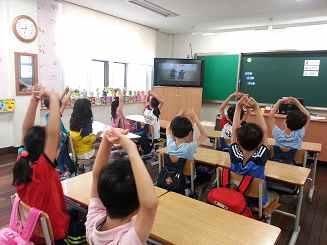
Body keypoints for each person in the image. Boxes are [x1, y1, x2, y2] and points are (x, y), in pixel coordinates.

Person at [13, 86, 70, 243]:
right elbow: (52, 133)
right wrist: (51, 95)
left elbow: (26, 129)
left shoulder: (22, 160)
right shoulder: (43, 168)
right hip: (52, 234)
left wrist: (35, 99)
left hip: (30, 230)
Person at [85, 128, 158, 244]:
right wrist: (131, 148)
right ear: (138, 207)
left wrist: (107, 140)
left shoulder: (93, 223)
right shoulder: (125, 241)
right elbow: (150, 205)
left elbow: (96, 176)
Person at [230, 95, 270, 205]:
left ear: (238, 140)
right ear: (259, 143)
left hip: (236, 196)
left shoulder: (234, 154)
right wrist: (256, 108)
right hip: (256, 202)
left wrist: (238, 107)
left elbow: (234, 131)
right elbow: (265, 132)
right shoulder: (260, 156)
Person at [268, 97, 310, 163]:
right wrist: (297, 103)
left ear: (285, 122)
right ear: (300, 126)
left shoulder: (277, 134)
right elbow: (308, 116)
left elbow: (270, 116)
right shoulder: (299, 134)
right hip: (291, 165)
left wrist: (279, 101)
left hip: (275, 165)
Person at [43, 87, 72, 175]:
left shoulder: (48, 114)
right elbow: (63, 102)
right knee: (62, 156)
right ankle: (63, 171)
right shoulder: (56, 114)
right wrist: (70, 92)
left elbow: (58, 101)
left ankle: (61, 169)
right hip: (61, 138)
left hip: (55, 138)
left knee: (60, 156)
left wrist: (64, 92)